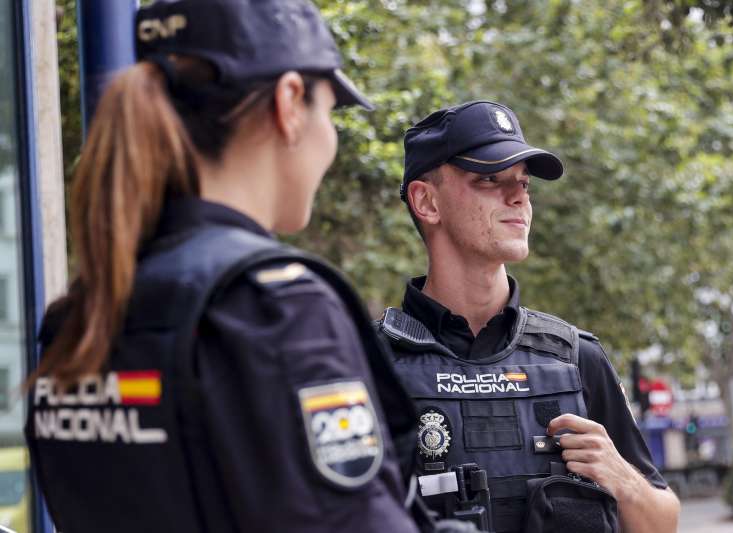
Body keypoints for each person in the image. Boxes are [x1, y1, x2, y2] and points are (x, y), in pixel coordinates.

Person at [23, 1, 465, 532]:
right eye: (330, 112)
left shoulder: (81, 312)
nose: (331, 138)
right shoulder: (274, 307)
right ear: (290, 103)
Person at [375, 100, 681, 533]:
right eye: (488, 179)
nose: (518, 196)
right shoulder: (368, 363)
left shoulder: (577, 359)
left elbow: (662, 521)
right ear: (426, 201)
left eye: (523, 183)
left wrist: (622, 477)